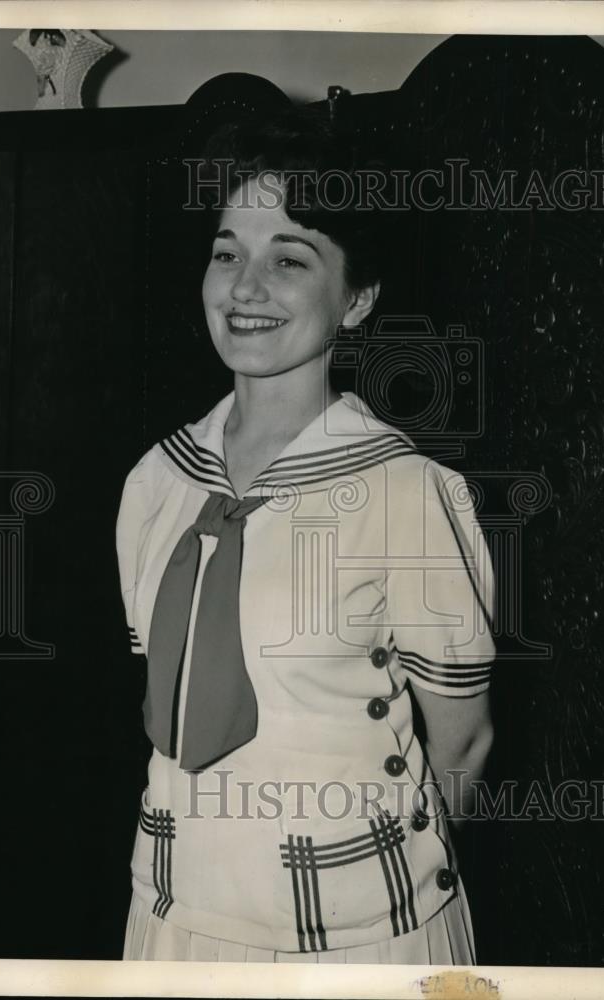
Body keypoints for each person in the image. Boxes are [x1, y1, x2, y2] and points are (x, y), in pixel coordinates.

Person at [116, 106, 496, 963]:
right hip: (174, 913)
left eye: (289, 259)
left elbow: (462, 742)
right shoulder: (155, 483)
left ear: (357, 299)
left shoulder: (406, 494)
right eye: (226, 254)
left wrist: (373, 871)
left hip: (360, 936)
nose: (244, 289)